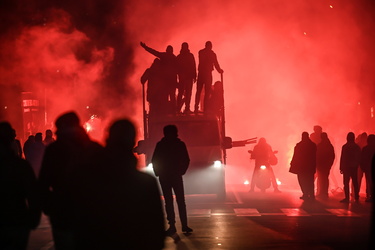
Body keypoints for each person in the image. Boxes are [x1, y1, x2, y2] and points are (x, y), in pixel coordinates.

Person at [75, 119, 165, 249]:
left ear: (108, 138)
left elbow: (80, 225)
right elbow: (156, 232)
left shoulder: (91, 178)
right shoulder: (145, 183)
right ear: (133, 142)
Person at [38, 111, 103, 249]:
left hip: (63, 214)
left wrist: (50, 207)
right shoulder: (94, 149)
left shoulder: (55, 150)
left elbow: (43, 182)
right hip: (91, 215)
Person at [0, 122, 41, 250]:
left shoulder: (21, 166)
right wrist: (33, 219)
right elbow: (33, 195)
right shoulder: (21, 166)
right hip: (17, 221)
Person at [151, 125, 193, 235]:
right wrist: (181, 171)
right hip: (175, 175)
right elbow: (186, 159)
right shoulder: (179, 145)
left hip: (165, 176)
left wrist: (158, 172)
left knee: (169, 201)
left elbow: (155, 160)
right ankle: (183, 225)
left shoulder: (161, 145)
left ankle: (172, 226)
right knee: (180, 201)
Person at [140, 42, 178, 114]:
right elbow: (179, 69)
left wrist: (145, 47)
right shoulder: (174, 58)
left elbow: (154, 52)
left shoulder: (163, 57)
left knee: (164, 96)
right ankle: (173, 111)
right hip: (170, 81)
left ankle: (164, 112)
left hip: (164, 82)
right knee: (170, 96)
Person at [194, 41, 223, 113]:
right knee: (206, 92)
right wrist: (219, 71)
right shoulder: (211, 54)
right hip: (207, 74)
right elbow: (216, 64)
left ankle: (197, 107)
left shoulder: (201, 52)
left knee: (200, 91)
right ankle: (205, 108)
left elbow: (215, 63)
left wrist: (219, 70)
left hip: (202, 74)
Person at [290, 132, 317, 200]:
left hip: (301, 166)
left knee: (302, 180)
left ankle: (305, 193)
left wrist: (293, 163)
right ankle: (311, 194)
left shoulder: (299, 145)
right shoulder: (313, 145)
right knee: (310, 181)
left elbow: (295, 155)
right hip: (310, 166)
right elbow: (315, 156)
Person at [339, 132, 361, 203]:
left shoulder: (345, 147)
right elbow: (359, 157)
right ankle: (356, 196)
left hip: (346, 167)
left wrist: (341, 167)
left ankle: (347, 197)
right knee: (355, 182)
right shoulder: (356, 147)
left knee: (346, 183)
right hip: (354, 166)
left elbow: (343, 158)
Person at [176, 42, 197, 114]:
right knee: (187, 93)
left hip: (184, 77)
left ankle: (180, 108)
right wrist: (194, 76)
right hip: (187, 77)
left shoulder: (179, 57)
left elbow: (193, 66)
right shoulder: (190, 56)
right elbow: (193, 66)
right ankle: (185, 108)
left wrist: (194, 76)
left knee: (182, 93)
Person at [316, 132, 335, 198]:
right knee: (325, 179)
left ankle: (321, 192)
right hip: (326, 166)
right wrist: (330, 164)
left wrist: (317, 164)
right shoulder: (329, 145)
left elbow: (317, 155)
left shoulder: (320, 145)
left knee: (321, 179)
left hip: (321, 165)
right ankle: (324, 192)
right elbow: (332, 156)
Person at [360, 134, 375, 202]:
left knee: (369, 183)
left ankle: (370, 196)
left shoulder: (365, 149)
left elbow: (362, 159)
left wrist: (363, 167)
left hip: (368, 168)